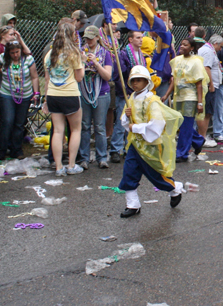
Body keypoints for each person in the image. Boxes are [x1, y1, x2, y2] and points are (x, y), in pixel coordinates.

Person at [118, 66, 185, 218]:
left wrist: (135, 127)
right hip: (135, 145)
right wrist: (126, 116)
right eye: (133, 80)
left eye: (139, 80)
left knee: (156, 176)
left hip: (151, 146)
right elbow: (124, 123)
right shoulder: (131, 99)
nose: (135, 84)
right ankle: (132, 204)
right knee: (129, 173)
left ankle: (175, 188)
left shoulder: (152, 101)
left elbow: (157, 125)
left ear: (146, 82)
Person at [43, 23, 85, 176]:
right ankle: (71, 165)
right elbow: (79, 77)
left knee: (58, 131)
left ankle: (59, 167)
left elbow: (47, 78)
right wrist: (84, 63)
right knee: (75, 130)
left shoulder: (49, 55)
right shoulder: (74, 53)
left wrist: (46, 99)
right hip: (70, 94)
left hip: (53, 95)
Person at [0, 41, 38, 161]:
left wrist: (36, 93)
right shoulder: (3, 58)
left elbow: (34, 77)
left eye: (17, 52)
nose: (15, 55)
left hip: (25, 95)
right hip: (7, 93)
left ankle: (16, 149)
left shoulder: (28, 59)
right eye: (12, 53)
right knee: (7, 121)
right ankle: (1, 150)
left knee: (19, 123)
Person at [78, 26, 113, 170]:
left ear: (98, 37)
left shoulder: (105, 54)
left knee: (99, 127)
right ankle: (84, 158)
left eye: (91, 38)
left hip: (101, 93)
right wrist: (81, 61)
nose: (89, 41)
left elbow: (108, 76)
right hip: (84, 92)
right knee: (85, 126)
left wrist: (96, 63)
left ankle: (102, 158)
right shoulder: (80, 52)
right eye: (86, 38)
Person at [110, 30, 147, 162]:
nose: (141, 40)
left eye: (141, 37)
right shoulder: (124, 54)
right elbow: (118, 75)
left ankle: (128, 148)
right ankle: (115, 149)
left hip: (138, 94)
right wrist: (126, 91)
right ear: (130, 40)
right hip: (126, 93)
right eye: (138, 38)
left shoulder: (141, 55)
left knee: (134, 121)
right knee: (122, 121)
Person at [170, 38, 209, 162]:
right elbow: (174, 80)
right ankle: (198, 140)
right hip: (178, 97)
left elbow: (199, 84)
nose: (181, 46)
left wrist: (200, 102)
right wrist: (166, 95)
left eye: (185, 45)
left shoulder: (196, 62)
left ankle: (182, 153)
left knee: (186, 124)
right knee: (181, 124)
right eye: (181, 44)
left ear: (191, 48)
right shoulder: (176, 60)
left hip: (190, 97)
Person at [197, 34, 223, 147]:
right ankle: (202, 137)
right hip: (208, 86)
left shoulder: (207, 50)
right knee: (206, 112)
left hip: (209, 85)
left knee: (208, 112)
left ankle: (202, 135)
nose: (220, 49)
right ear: (215, 43)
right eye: (220, 46)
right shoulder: (208, 51)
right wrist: (211, 84)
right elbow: (207, 67)